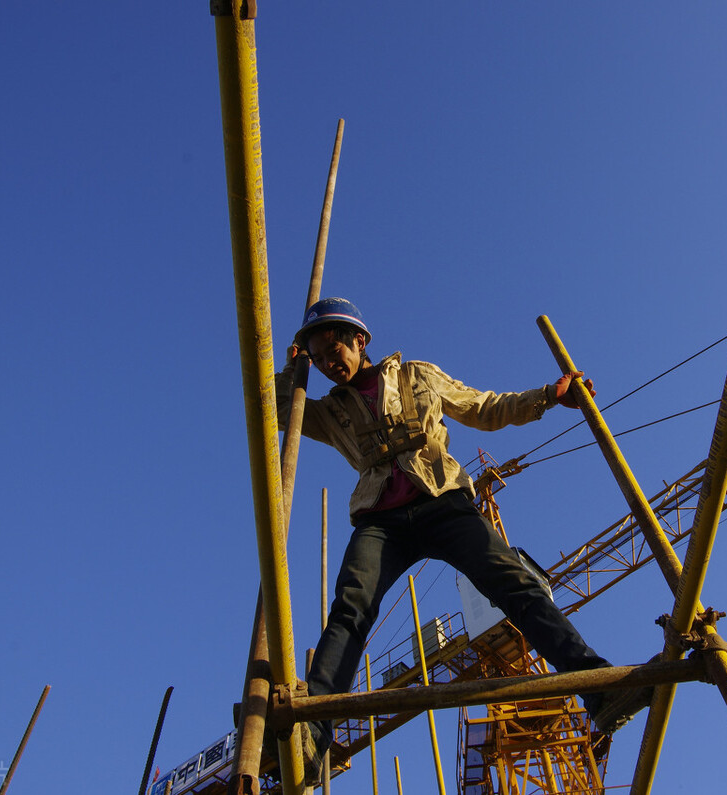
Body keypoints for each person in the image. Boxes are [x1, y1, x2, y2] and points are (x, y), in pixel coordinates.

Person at [277, 297, 649, 784]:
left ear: (359, 341)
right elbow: (279, 412)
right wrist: (293, 370)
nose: (330, 364)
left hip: (442, 502)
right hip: (380, 520)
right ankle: (313, 729)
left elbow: (484, 407)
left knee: (513, 583)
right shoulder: (327, 411)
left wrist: (549, 397)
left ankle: (599, 686)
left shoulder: (416, 376)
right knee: (351, 608)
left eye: (334, 350)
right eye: (320, 358)